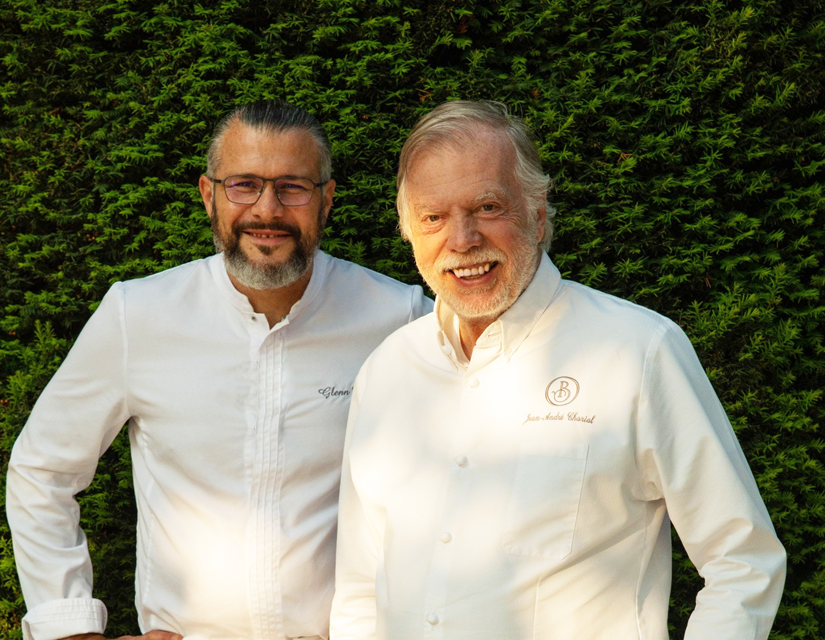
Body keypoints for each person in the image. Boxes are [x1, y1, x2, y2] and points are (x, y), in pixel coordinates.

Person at [330, 101, 786, 640]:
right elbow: (360, 586)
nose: (462, 239)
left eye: (487, 206)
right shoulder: (387, 372)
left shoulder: (637, 351)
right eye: (433, 217)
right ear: (409, 232)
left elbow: (742, 559)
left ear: (538, 211)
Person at [6, 100, 431, 640]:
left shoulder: (399, 317)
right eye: (244, 184)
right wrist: (69, 628)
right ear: (209, 195)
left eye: (293, 187)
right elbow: (42, 470)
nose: (268, 209)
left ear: (326, 200)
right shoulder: (138, 314)